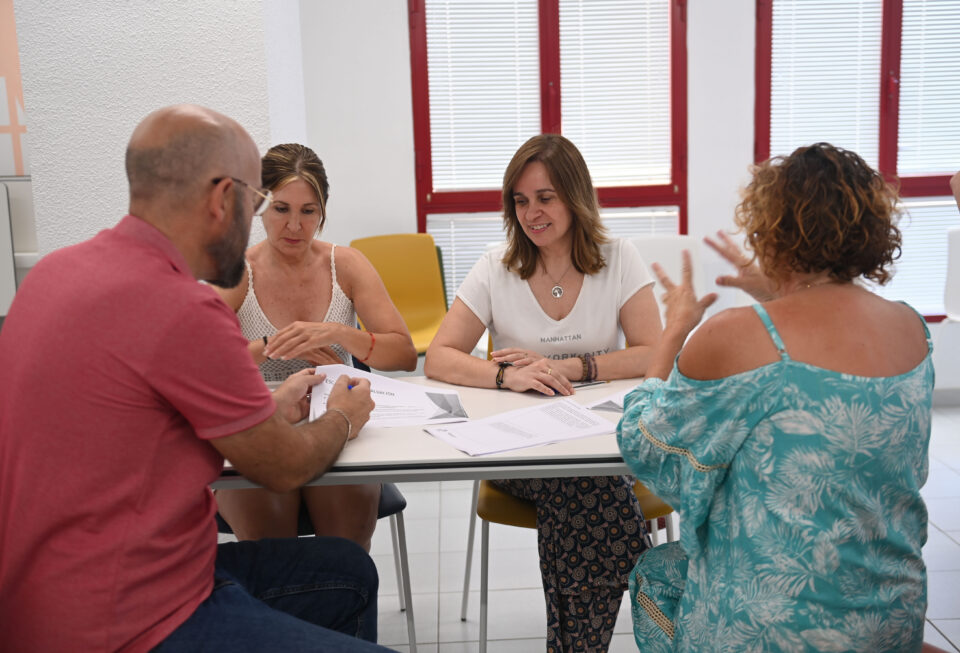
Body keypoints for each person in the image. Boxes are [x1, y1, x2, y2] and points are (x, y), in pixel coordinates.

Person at [0, 105, 392, 652]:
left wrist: (272, 407)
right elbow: (283, 466)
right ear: (223, 199)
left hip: (38, 596)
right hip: (135, 616)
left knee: (347, 569)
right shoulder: (182, 308)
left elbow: (144, 420)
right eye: (261, 204)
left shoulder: (51, 275)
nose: (273, 223)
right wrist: (344, 417)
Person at [617, 142, 934, 652]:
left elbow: (647, 444)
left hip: (778, 632)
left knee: (657, 573)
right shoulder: (913, 330)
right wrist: (779, 294)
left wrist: (674, 329)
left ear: (772, 231)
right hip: (892, 622)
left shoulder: (735, 335)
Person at [425, 134, 663, 652]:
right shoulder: (496, 265)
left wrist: (572, 366)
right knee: (584, 490)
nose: (531, 213)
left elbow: (653, 352)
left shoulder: (619, 257)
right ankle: (636, 570)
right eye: (520, 200)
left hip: (598, 443)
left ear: (576, 198)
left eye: (545, 198)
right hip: (517, 449)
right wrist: (504, 377)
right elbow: (439, 355)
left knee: (579, 489)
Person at [213, 143, 417, 550]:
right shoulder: (236, 272)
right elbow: (202, 367)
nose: (295, 226)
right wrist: (272, 346)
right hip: (262, 424)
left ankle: (338, 592)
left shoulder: (347, 264)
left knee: (345, 545)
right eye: (281, 209)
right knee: (272, 550)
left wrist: (338, 334)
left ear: (322, 212)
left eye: (308, 211)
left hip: (336, 419)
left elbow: (404, 354)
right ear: (258, 207)